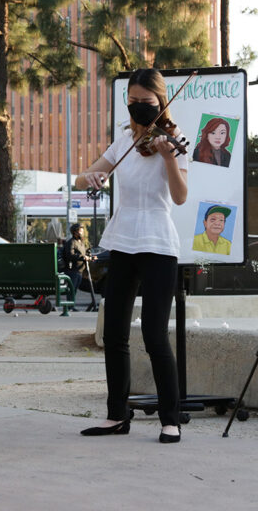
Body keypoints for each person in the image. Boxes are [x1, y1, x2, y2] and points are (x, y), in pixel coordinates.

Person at [75, 67, 188, 444]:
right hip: (122, 240)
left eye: (147, 103)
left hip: (158, 243)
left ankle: (170, 418)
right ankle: (116, 415)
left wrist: (169, 157)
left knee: (155, 334)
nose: (140, 108)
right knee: (115, 333)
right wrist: (90, 177)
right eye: (134, 102)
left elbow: (180, 196)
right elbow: (83, 177)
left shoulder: (173, 139)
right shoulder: (122, 140)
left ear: (161, 102)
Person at [62, 223, 95, 293]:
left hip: (80, 271)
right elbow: (70, 255)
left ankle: (71, 303)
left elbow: (84, 253)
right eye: (81, 231)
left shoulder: (81, 243)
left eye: (82, 231)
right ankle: (69, 304)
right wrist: (83, 257)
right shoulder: (71, 242)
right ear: (75, 232)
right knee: (71, 291)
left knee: (74, 291)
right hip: (72, 271)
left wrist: (90, 257)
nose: (82, 233)